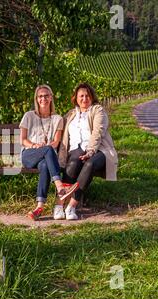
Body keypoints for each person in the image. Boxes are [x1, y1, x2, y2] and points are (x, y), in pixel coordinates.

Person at [55, 83, 118, 220]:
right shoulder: (70, 115)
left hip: (99, 150)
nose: (84, 98)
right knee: (72, 164)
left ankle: (71, 206)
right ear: (76, 98)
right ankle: (59, 205)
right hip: (75, 150)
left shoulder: (97, 110)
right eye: (81, 96)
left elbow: (98, 132)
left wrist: (90, 151)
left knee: (89, 164)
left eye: (87, 95)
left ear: (92, 97)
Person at [20, 84, 79, 220]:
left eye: (46, 96)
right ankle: (60, 187)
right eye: (40, 96)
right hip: (29, 155)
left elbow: (56, 142)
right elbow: (23, 140)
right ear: (36, 99)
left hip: (45, 158)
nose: (43, 99)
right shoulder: (28, 116)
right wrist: (35, 145)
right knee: (47, 149)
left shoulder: (57, 119)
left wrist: (45, 147)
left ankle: (39, 207)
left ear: (51, 98)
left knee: (46, 164)